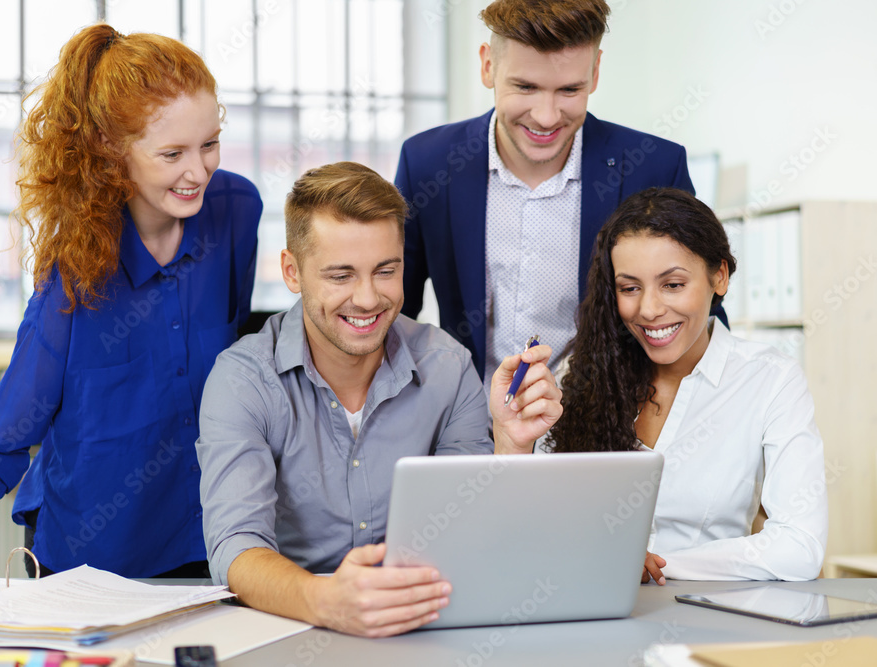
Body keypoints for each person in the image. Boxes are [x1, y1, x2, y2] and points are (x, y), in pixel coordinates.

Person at [0, 24, 261, 580]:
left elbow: (236, 357)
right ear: (112, 150)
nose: (198, 170)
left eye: (210, 144)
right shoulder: (75, 272)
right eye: (172, 153)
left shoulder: (236, 209)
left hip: (211, 541)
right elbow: (3, 438)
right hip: (89, 564)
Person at [196, 162, 559, 638]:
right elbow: (235, 548)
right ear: (292, 271)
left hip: (426, 626)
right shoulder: (242, 380)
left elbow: (470, 542)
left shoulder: (447, 366)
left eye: (385, 271)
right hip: (290, 626)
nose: (367, 299)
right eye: (341, 275)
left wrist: (510, 449)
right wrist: (325, 602)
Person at [395, 0, 702, 383]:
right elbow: (393, 313)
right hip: (470, 426)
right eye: (525, 87)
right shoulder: (428, 163)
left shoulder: (655, 166)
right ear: (488, 65)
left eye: (569, 90)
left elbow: (697, 315)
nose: (546, 116)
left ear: (595, 71)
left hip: (614, 426)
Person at [541, 187, 827, 582]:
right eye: (630, 288)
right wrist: (511, 438)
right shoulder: (581, 374)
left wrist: (651, 565)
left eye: (673, 284)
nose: (650, 310)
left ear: (719, 276)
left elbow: (800, 547)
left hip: (708, 619)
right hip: (586, 607)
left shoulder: (771, 379)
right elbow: (535, 522)